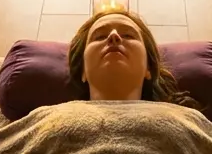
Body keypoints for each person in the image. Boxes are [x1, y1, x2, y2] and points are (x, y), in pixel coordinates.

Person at [67, 9, 201, 110]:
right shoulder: (48, 118)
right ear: (82, 70)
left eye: (128, 35)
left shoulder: (188, 121)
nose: (114, 36)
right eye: (99, 36)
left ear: (148, 68)